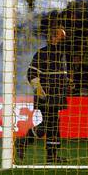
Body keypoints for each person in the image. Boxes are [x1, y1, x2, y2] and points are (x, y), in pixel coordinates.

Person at [15, 26, 69, 163]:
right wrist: (40, 90)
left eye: (64, 37)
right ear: (53, 38)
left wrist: (67, 82)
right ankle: (23, 142)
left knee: (53, 124)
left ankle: (51, 156)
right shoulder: (42, 53)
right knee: (50, 124)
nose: (64, 39)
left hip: (58, 95)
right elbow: (31, 74)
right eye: (61, 36)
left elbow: (61, 74)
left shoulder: (61, 54)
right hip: (46, 95)